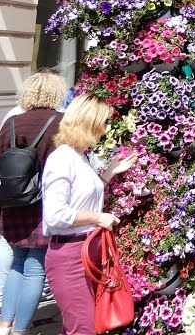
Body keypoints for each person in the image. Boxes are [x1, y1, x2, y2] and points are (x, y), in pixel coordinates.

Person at [41, 96, 136, 335]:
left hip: (88, 251)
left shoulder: (79, 157)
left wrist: (109, 174)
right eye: (103, 122)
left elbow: (82, 196)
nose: (105, 130)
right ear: (89, 123)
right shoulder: (62, 159)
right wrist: (97, 217)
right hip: (70, 256)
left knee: (80, 326)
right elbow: (55, 215)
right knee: (83, 328)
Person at [0, 72, 65, 335]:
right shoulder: (60, 123)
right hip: (41, 204)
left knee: (18, 263)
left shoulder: (12, 122)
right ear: (56, 93)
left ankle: (4, 326)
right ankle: (21, 330)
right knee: (35, 268)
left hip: (11, 204)